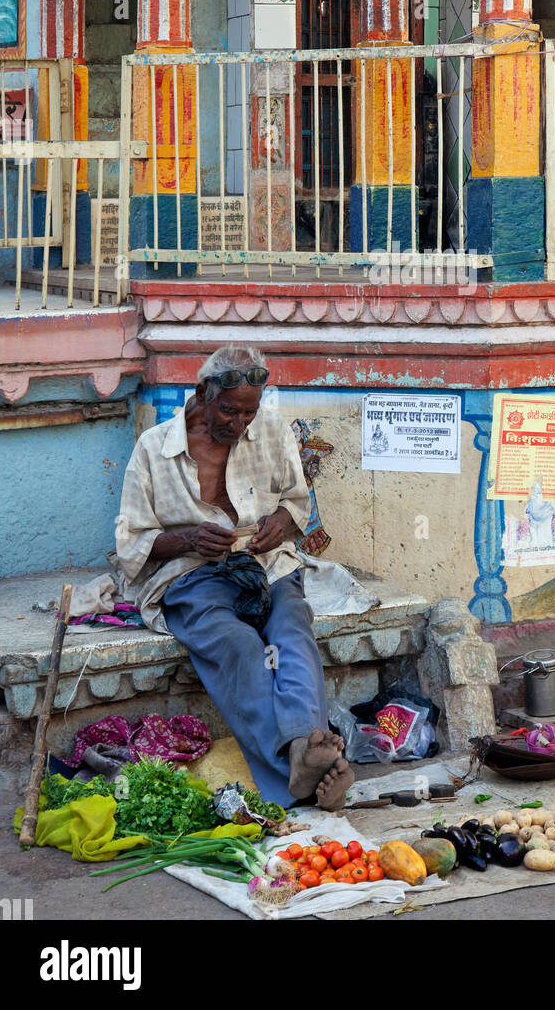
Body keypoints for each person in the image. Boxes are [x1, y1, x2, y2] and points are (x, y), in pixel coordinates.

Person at [115, 342, 353, 810]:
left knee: (291, 625)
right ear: (203, 394)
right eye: (228, 411)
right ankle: (297, 763)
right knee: (239, 644)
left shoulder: (270, 430)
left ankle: (306, 747)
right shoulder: (154, 450)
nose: (237, 424)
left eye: (248, 414)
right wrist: (187, 540)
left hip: (265, 565)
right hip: (193, 576)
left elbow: (296, 503)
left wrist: (279, 525)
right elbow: (131, 543)